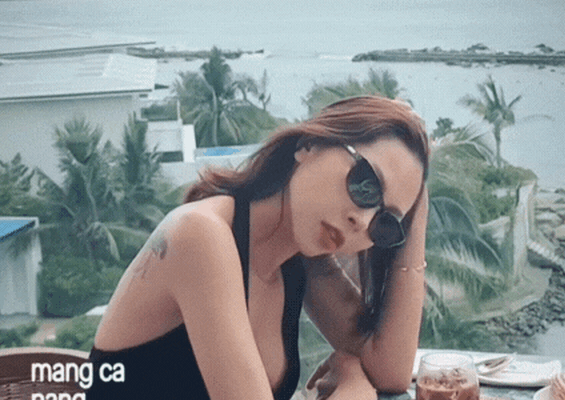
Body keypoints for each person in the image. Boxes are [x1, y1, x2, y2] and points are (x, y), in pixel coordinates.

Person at [86, 95, 430, 400]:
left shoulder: (298, 257)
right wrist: (354, 387)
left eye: (384, 223)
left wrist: (414, 213)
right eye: (366, 184)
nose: (361, 220)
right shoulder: (201, 234)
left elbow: (390, 370)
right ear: (310, 145)